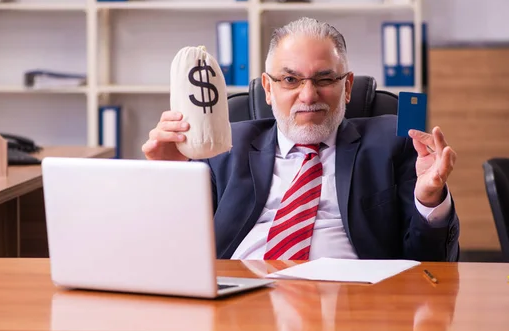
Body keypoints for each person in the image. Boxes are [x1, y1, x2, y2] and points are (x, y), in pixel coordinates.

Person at [142, 17, 459, 261]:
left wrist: (429, 199)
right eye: (290, 79)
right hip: (238, 304)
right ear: (268, 88)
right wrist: (169, 179)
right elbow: (174, 253)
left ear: (347, 87)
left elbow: (430, 263)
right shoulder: (223, 150)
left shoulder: (391, 143)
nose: (308, 95)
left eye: (325, 79)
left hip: (351, 307)